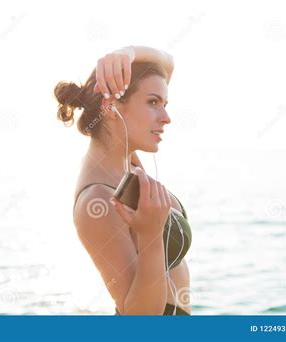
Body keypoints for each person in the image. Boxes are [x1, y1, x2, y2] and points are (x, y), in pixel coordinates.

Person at [54, 46, 192, 315]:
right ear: (111, 106)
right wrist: (151, 236)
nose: (166, 118)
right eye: (153, 102)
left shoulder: (125, 161)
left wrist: (127, 53)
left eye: (164, 104)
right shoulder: (97, 200)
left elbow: (167, 63)